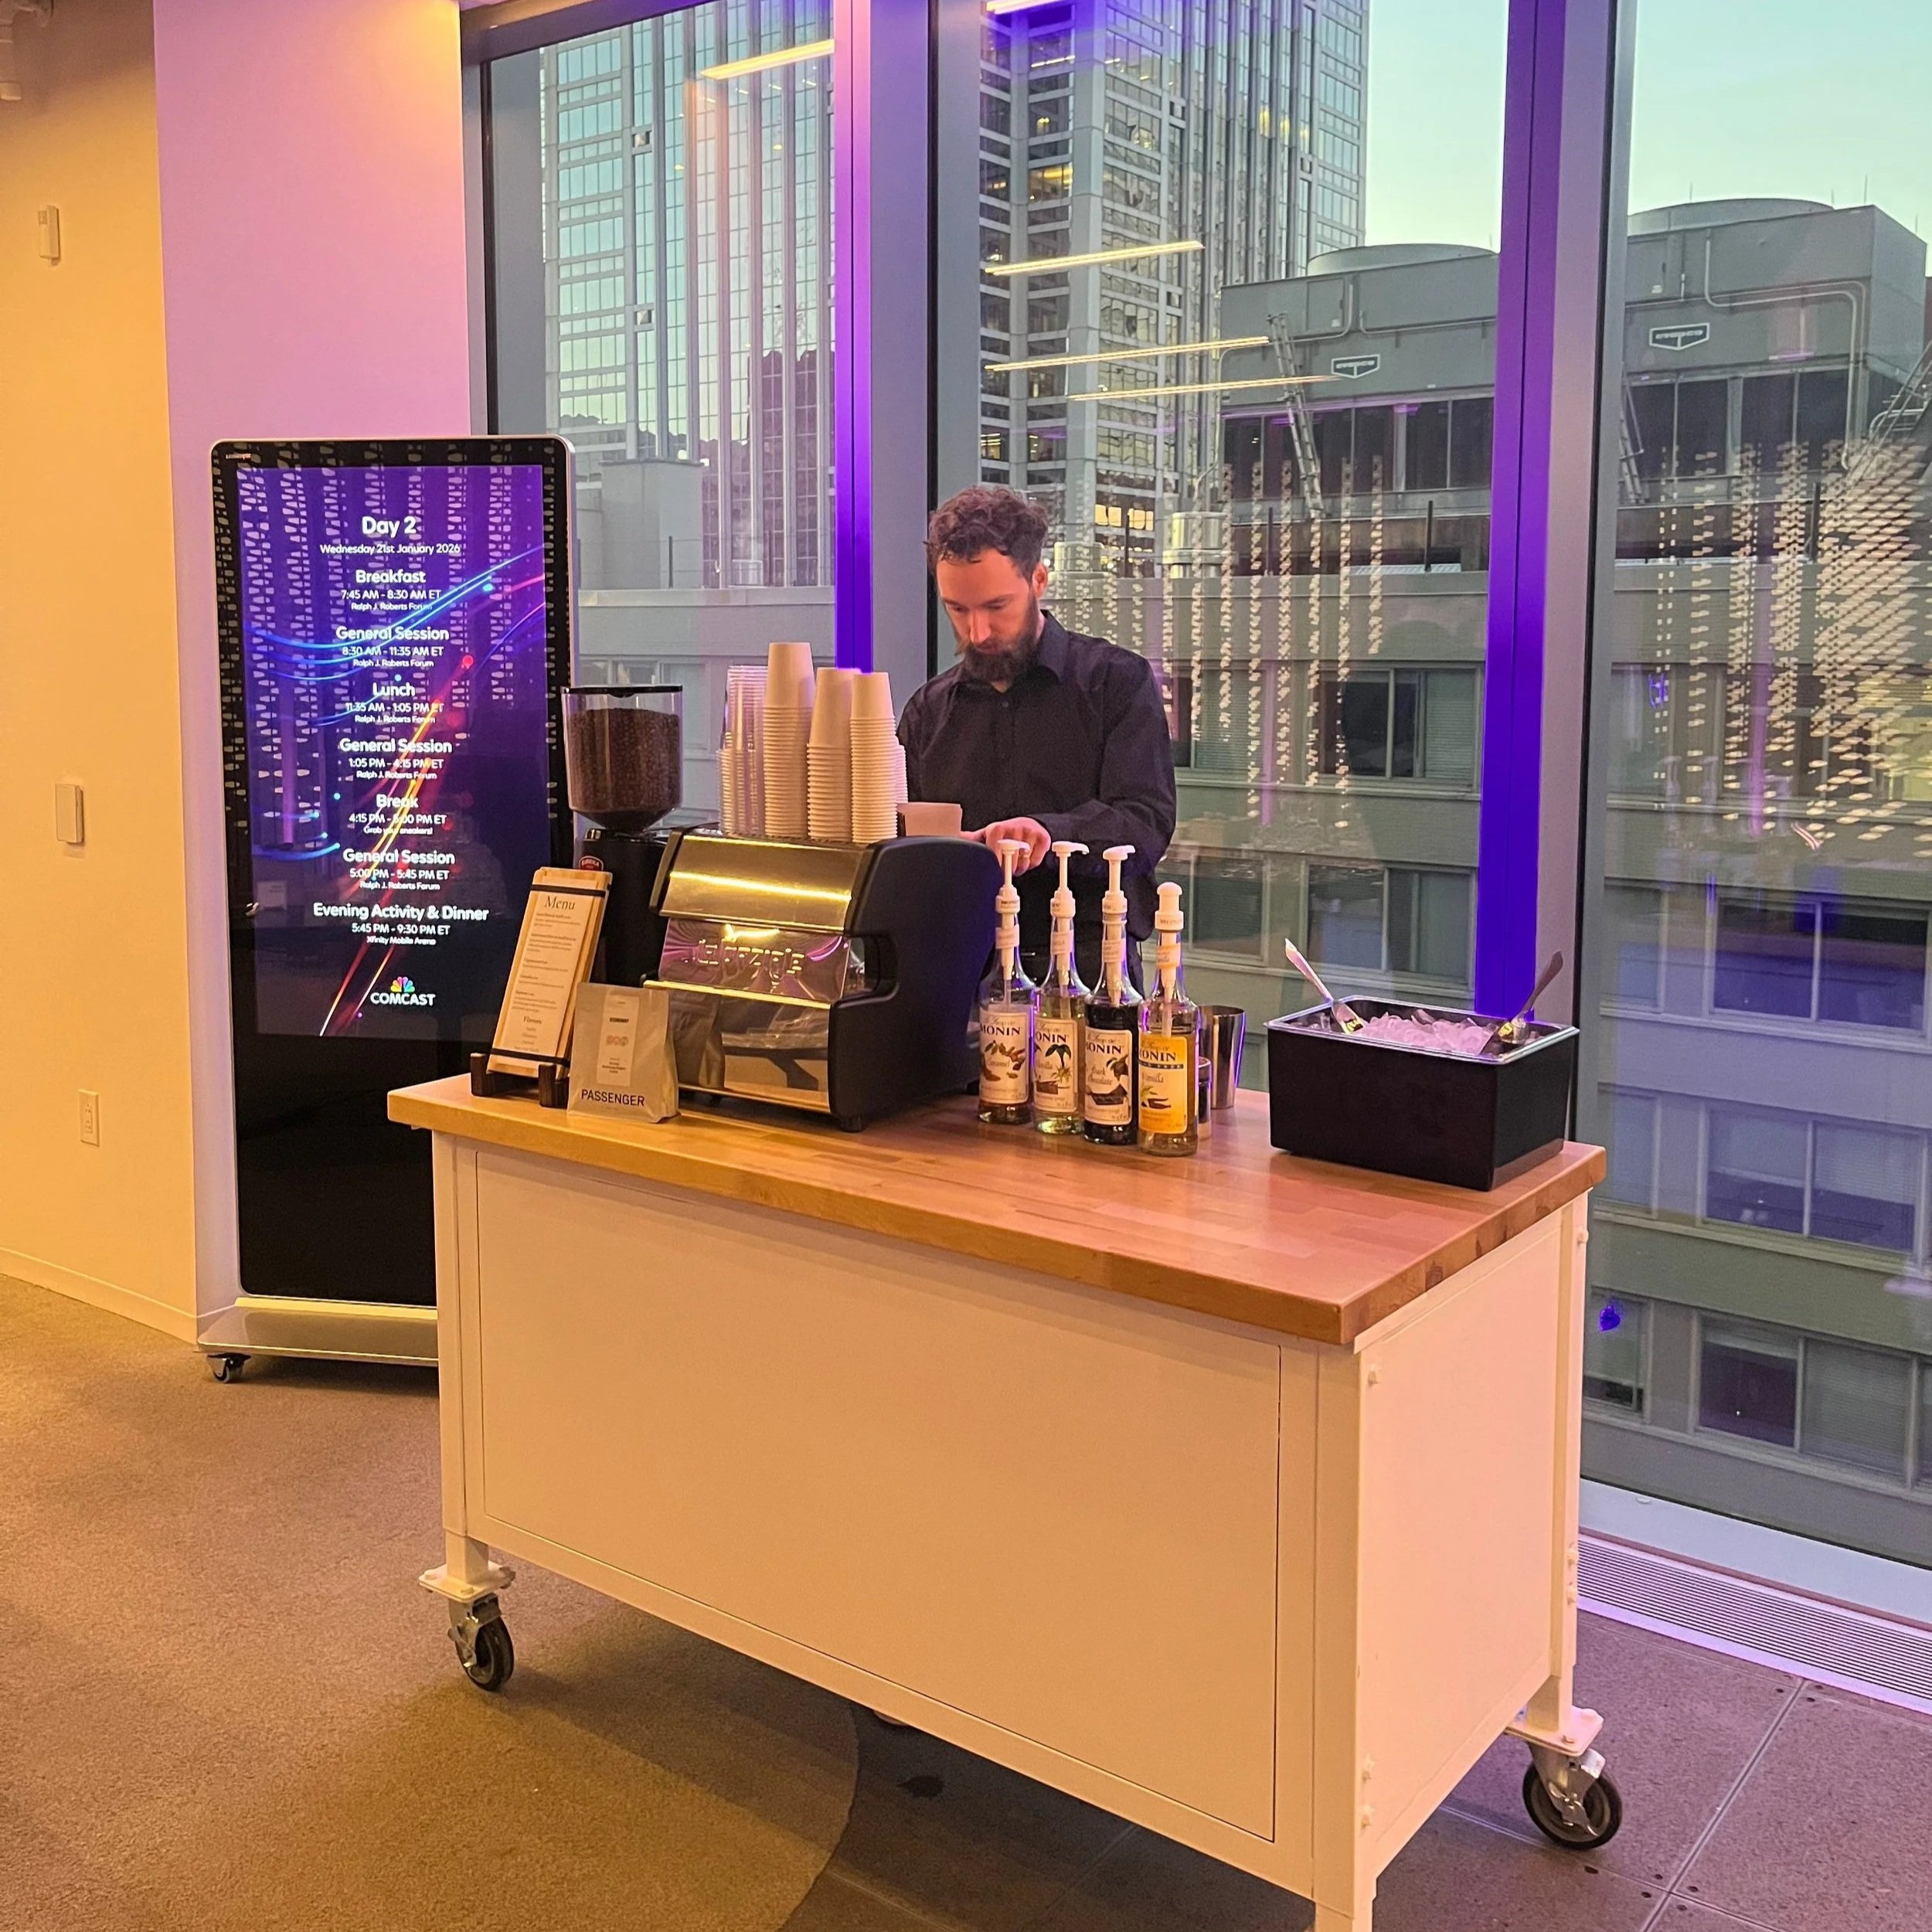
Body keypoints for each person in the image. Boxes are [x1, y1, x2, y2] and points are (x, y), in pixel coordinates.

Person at [898, 486, 1175, 983]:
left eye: (996, 606)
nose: (977, 632)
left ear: (1039, 580)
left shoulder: (1116, 682)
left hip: (1092, 958)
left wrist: (1051, 834)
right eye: (957, 610)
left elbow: (1145, 823)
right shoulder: (926, 712)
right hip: (961, 963)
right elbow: (895, 837)